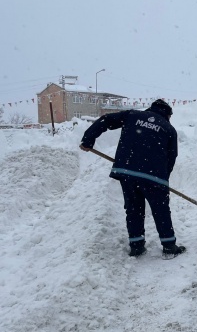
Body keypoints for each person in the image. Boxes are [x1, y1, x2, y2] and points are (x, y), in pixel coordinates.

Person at [79, 99, 186, 259]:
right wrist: (163, 179)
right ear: (168, 114)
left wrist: (88, 139)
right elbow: (172, 157)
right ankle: (169, 246)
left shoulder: (132, 115)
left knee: (134, 208)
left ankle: (136, 246)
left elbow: (106, 120)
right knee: (160, 210)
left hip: (127, 171)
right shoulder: (169, 129)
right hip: (154, 175)